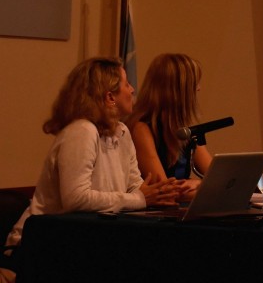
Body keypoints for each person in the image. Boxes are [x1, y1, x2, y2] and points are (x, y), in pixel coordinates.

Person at [2, 57, 178, 282]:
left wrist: (160, 193)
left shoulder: (122, 131)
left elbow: (133, 185)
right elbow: (76, 199)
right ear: (110, 97)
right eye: (126, 84)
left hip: (81, 241)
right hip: (41, 246)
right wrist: (141, 198)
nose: (133, 89)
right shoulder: (82, 131)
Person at [127, 53, 212, 201]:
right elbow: (165, 191)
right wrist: (206, 187)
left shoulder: (185, 129)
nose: (199, 89)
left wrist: (199, 183)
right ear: (180, 91)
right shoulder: (141, 129)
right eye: (194, 83)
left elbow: (218, 177)